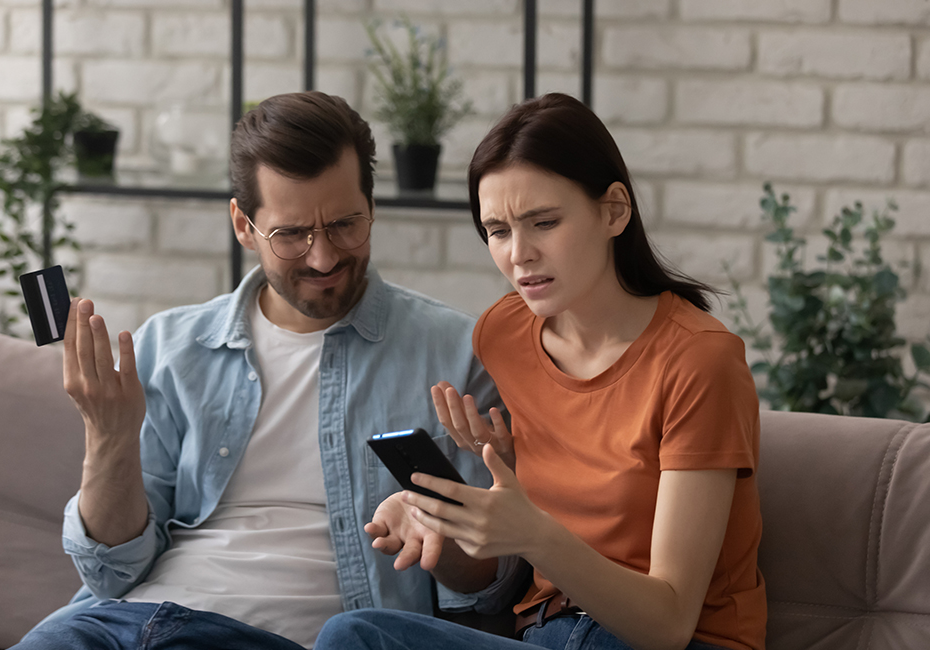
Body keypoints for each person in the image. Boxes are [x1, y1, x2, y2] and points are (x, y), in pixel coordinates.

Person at [11, 91, 520, 650]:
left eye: (346, 224)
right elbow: (111, 574)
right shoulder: (172, 346)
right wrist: (108, 438)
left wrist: (438, 535)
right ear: (243, 225)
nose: (323, 257)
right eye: (292, 234)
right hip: (119, 625)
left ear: (372, 206)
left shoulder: (455, 353)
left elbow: (487, 591)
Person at [314, 93, 767, 650]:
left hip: (665, 642)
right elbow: (492, 570)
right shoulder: (502, 333)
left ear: (614, 211)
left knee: (355, 636)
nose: (519, 255)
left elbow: (669, 624)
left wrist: (534, 532)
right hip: (546, 634)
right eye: (498, 231)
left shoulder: (699, 360)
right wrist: (455, 513)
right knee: (346, 635)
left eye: (544, 222)